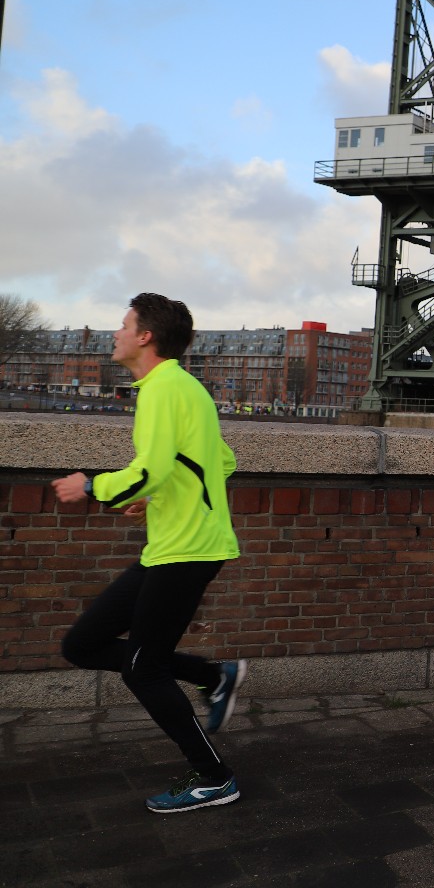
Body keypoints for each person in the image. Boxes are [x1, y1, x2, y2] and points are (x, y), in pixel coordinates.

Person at [50, 294, 247, 813]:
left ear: (145, 336)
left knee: (143, 669)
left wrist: (91, 486)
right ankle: (213, 676)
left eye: (123, 325)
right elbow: (222, 461)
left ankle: (215, 777)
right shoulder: (183, 387)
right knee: (82, 644)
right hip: (172, 548)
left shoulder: (163, 388)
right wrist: (158, 496)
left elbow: (151, 470)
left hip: (188, 550)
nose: (115, 333)